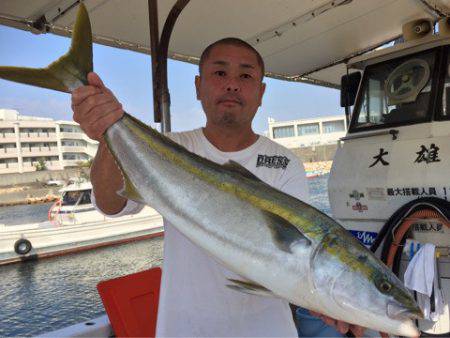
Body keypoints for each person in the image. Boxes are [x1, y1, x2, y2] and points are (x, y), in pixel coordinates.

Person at [72, 37, 364, 337]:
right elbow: (111, 204)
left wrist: (328, 299)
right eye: (220, 73)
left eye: (246, 75)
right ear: (199, 86)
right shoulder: (167, 148)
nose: (232, 85)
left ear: (261, 92)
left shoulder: (284, 163)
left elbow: (293, 259)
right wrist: (108, 129)